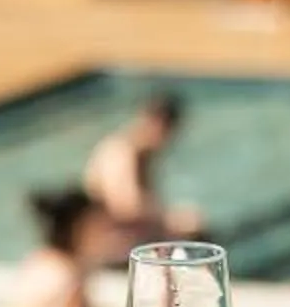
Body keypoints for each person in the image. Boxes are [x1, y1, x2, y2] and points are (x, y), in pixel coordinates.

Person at [84, 92, 204, 244]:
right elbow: (126, 207)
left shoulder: (143, 155)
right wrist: (171, 220)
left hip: (126, 232)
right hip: (110, 238)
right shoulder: (120, 152)